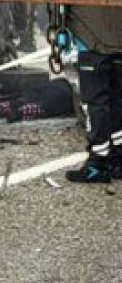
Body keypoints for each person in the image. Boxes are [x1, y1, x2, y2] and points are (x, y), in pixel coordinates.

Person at [61, 11, 122, 183]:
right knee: (116, 99)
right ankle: (118, 157)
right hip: (116, 39)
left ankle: (98, 162)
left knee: (96, 102)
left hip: (92, 38)